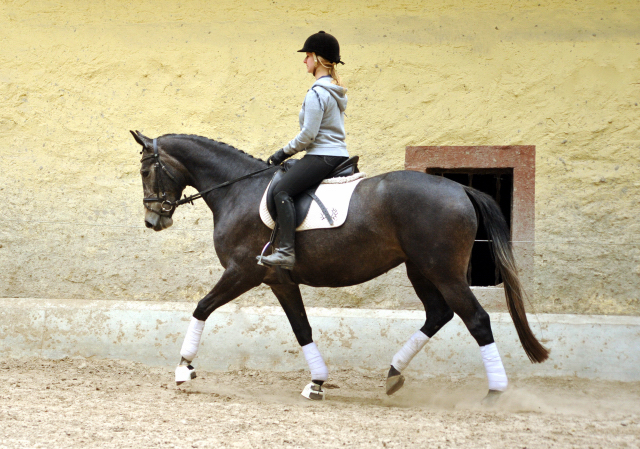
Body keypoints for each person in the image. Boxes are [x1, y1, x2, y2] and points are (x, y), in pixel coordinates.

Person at [259, 31, 349, 270]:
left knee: (282, 191)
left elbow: (308, 135)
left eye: (307, 55)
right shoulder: (334, 89)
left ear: (318, 59)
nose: (304, 61)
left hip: (322, 155)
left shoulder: (317, 93)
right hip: (337, 154)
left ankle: (286, 252)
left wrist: (282, 153)